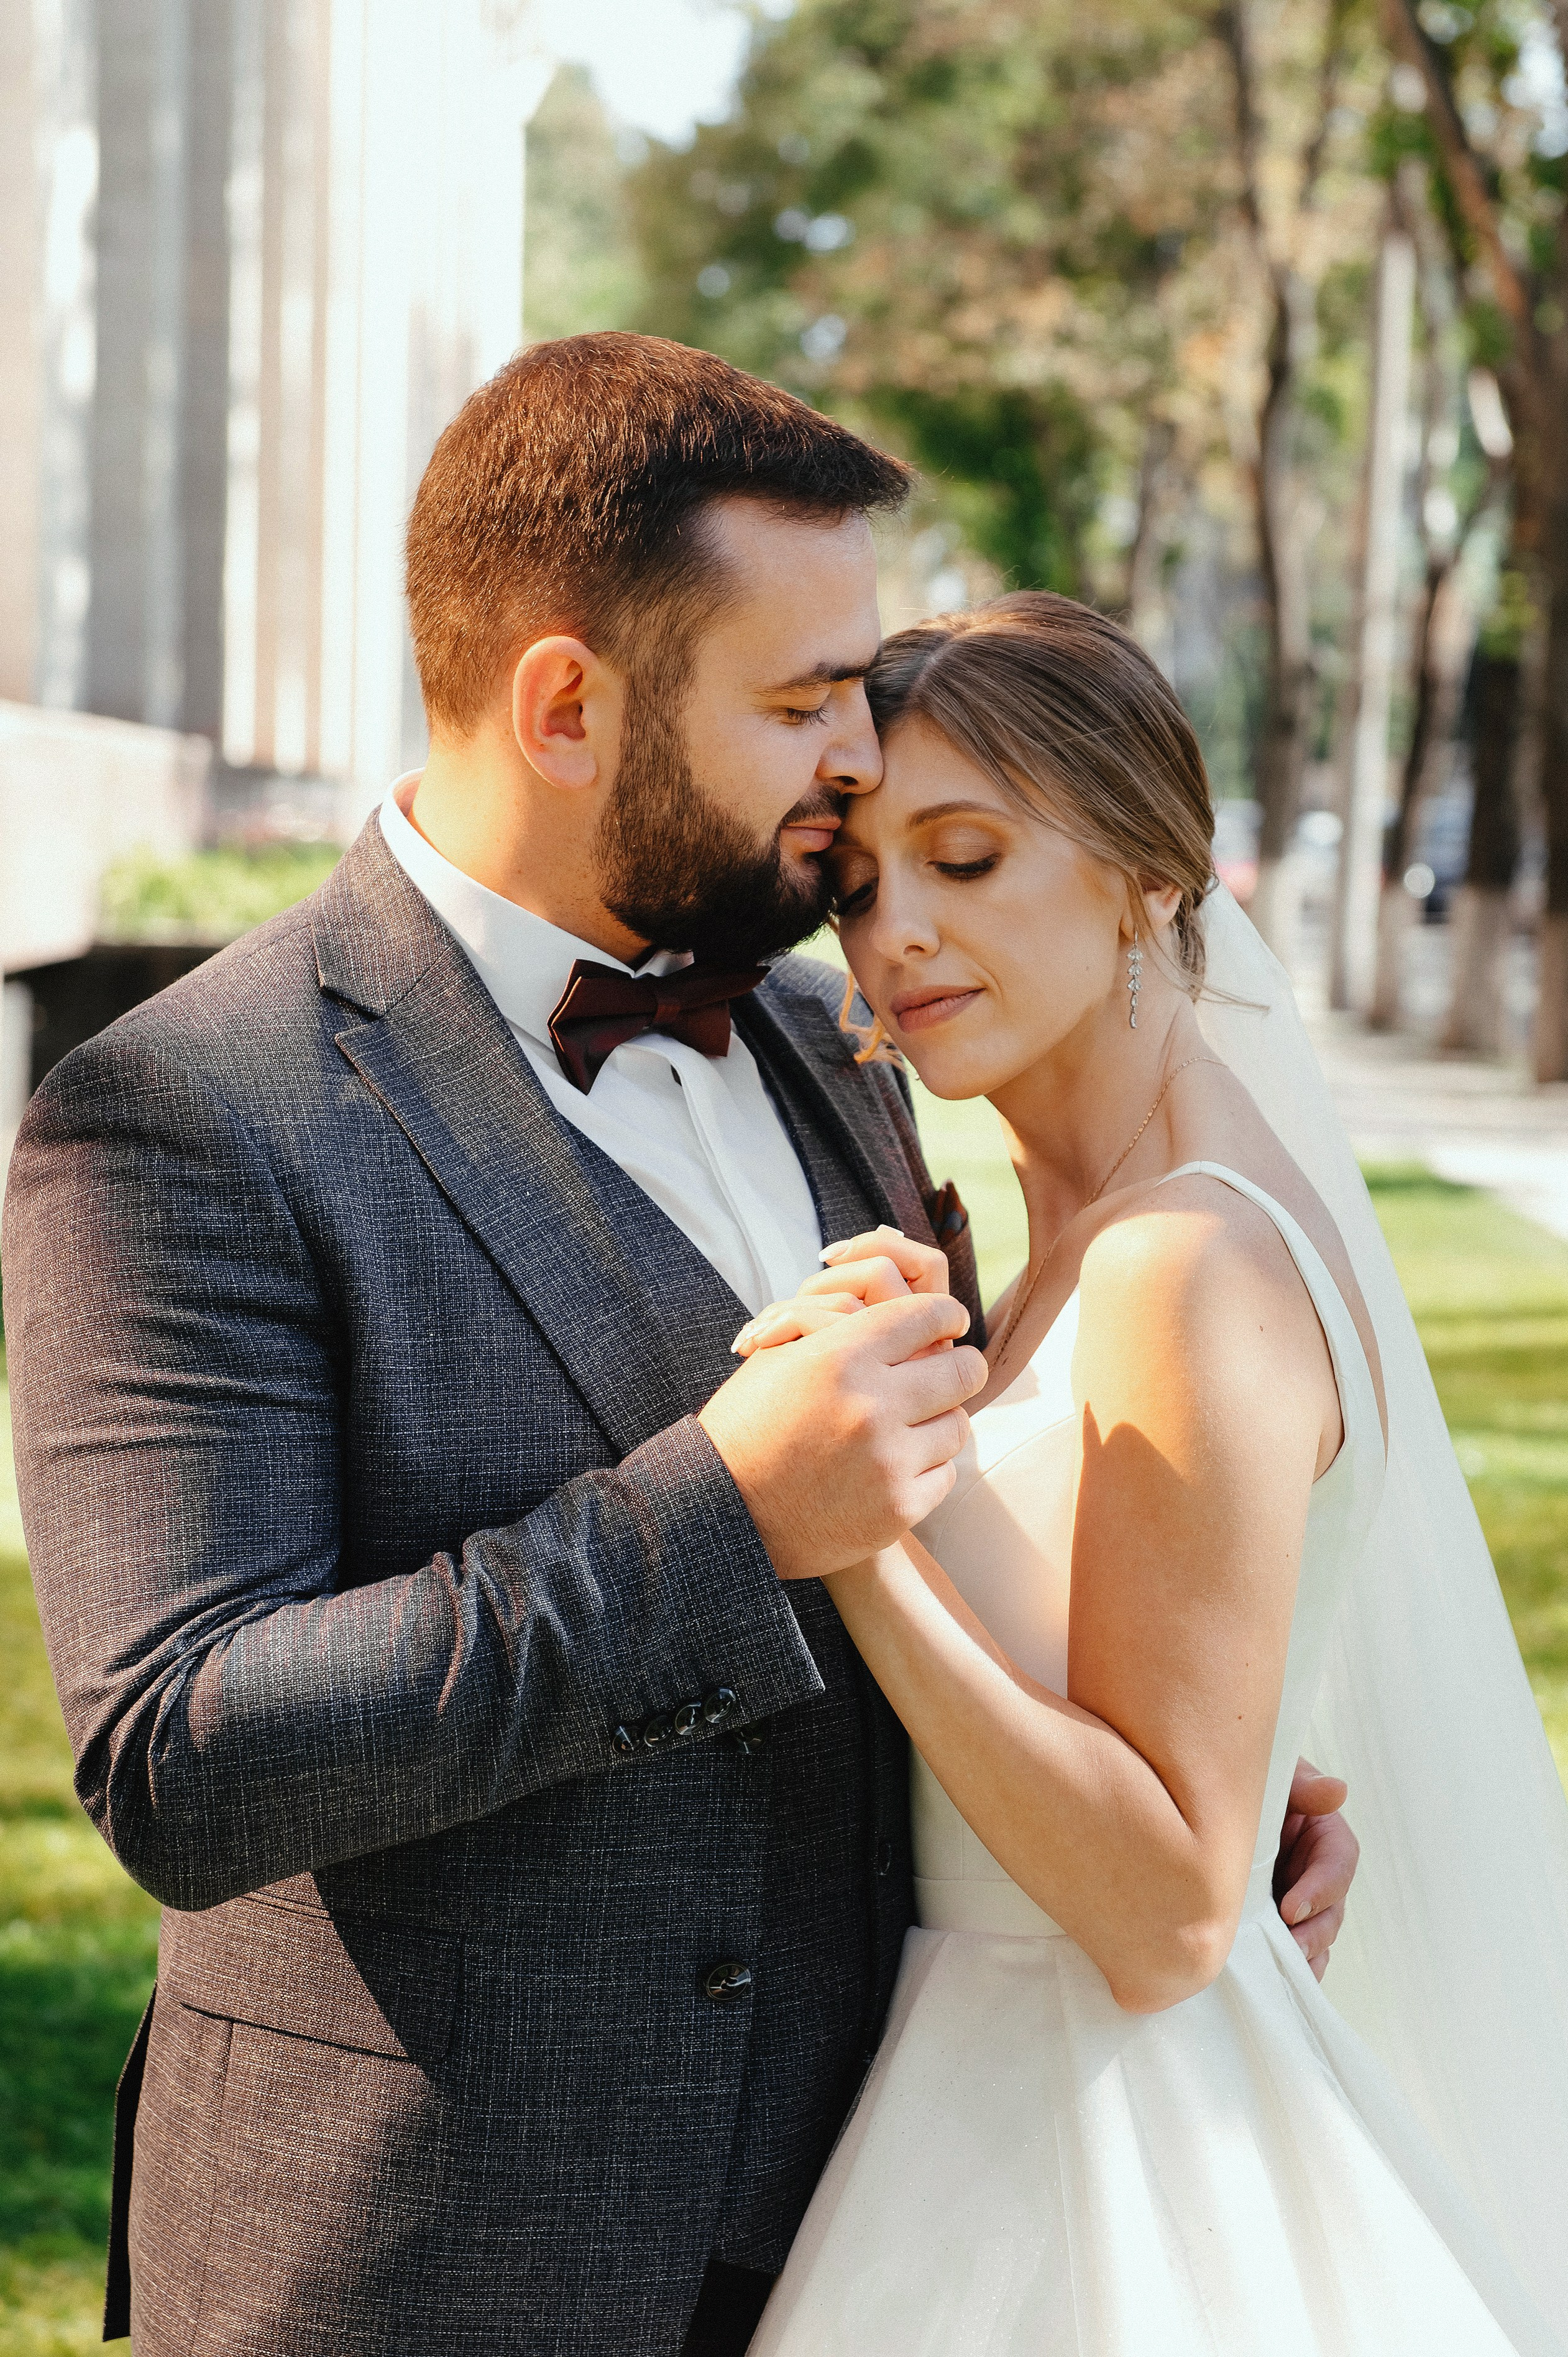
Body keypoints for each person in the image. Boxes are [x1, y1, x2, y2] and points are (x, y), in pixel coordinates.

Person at [2, 339, 1355, 2357]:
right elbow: (180, 1759)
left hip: (887, 2225)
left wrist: (1178, 1758)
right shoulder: (190, 1114)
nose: (853, 759)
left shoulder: (831, 1040)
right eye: (804, 701)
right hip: (421, 2269)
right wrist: (721, 1511)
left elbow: (971, 1500)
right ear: (568, 706)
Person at [730, 594, 1568, 2356]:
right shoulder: (1069, 1241)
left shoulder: (1181, 1262)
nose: (898, 936)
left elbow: (1175, 1913)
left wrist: (855, 1536)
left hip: (1104, 2152)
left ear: (1148, 873)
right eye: (861, 885)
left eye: (966, 858)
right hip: (968, 2083)